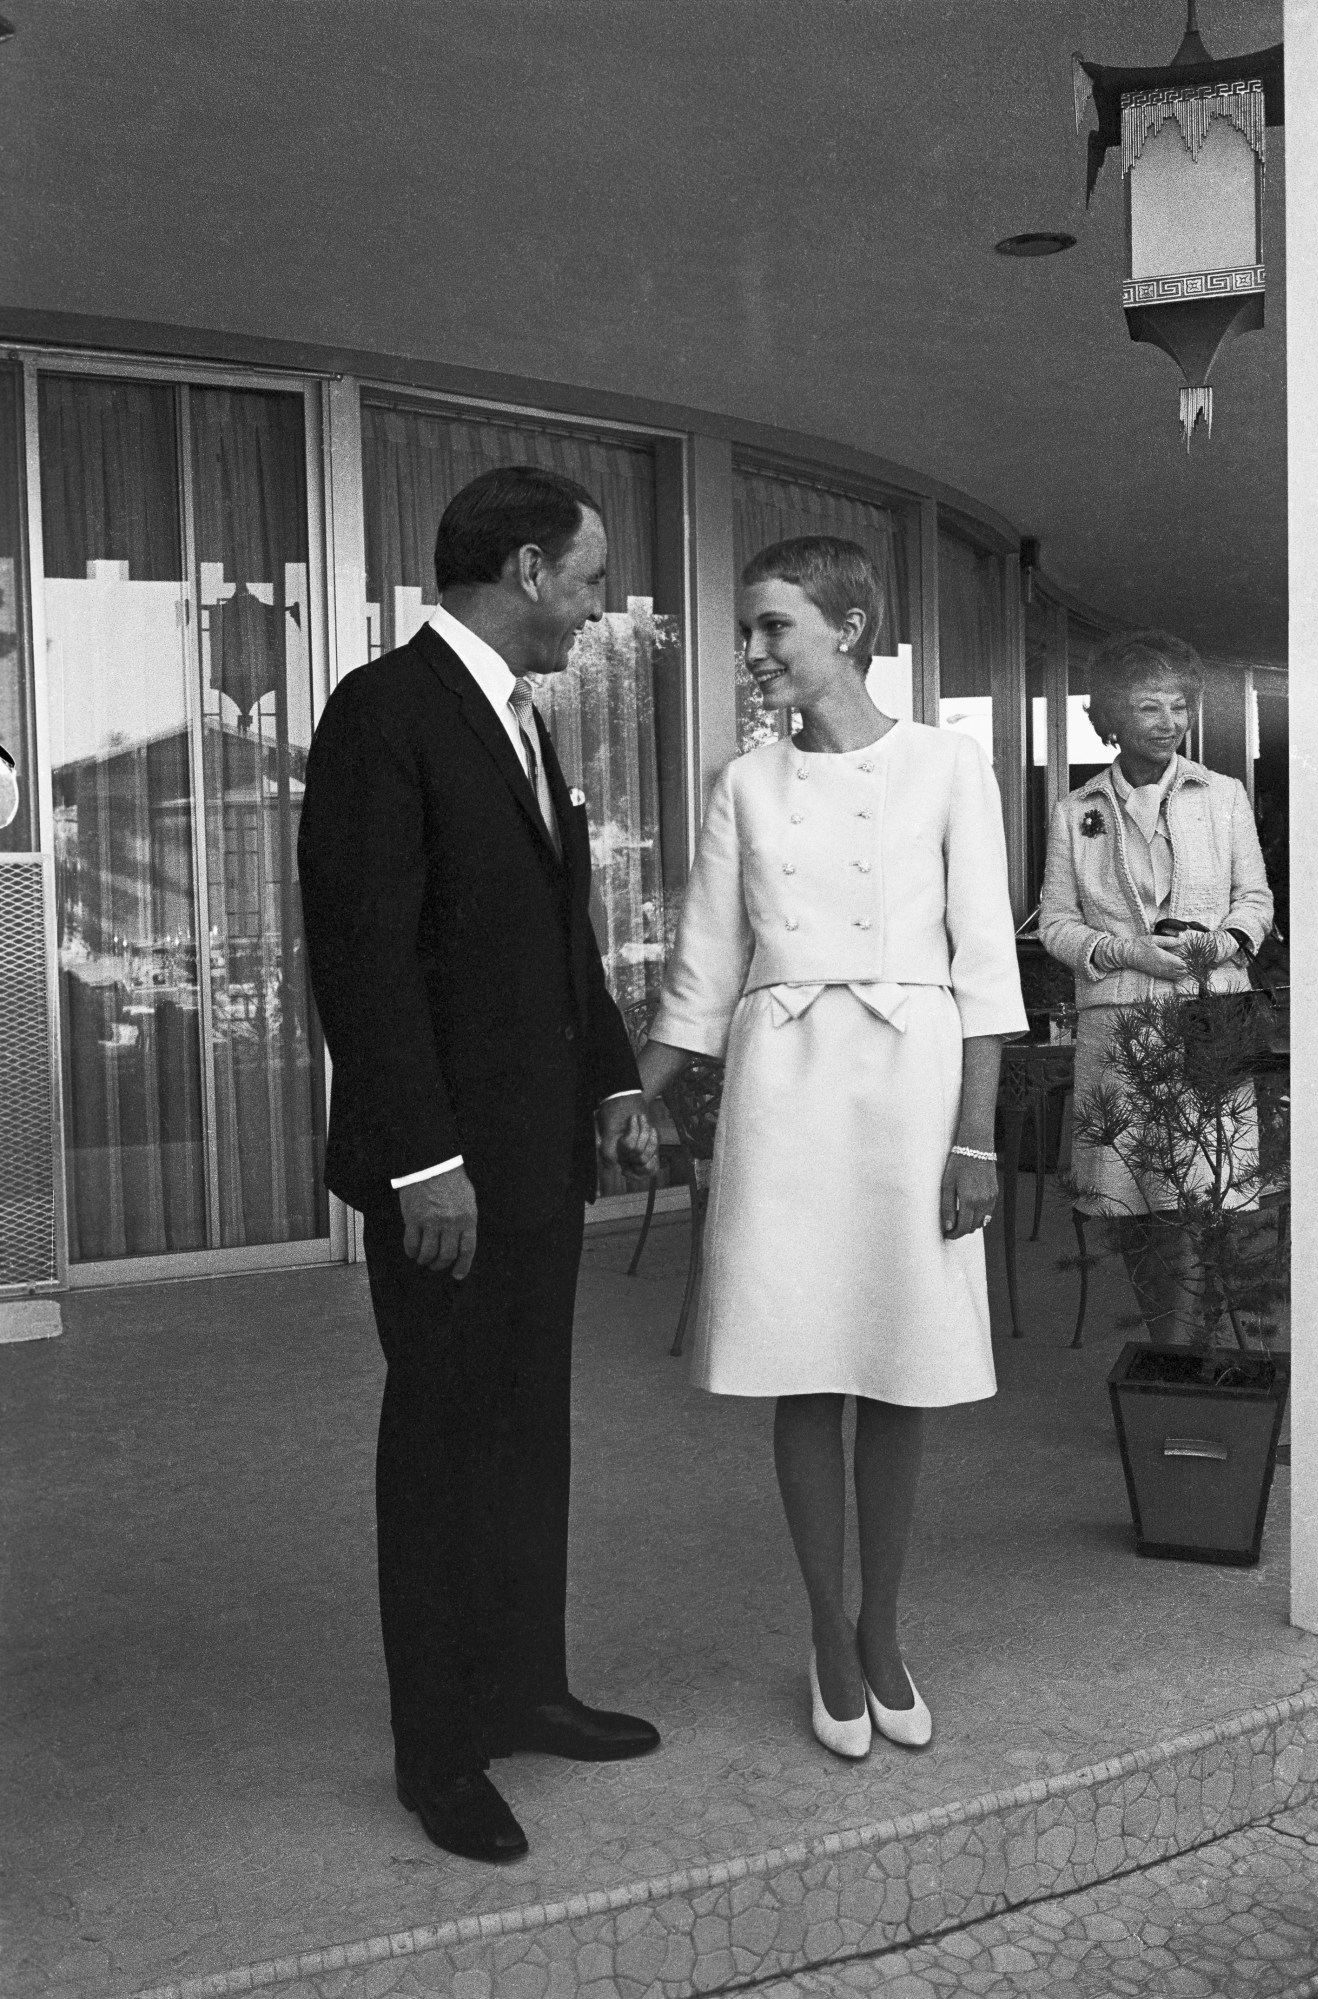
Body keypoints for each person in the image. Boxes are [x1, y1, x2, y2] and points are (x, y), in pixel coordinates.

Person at [298, 466, 662, 1865]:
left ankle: (522, 1684)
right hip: (445, 1174)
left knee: (524, 1427)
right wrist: (422, 1159)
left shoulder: (519, 721)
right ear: (521, 569)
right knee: (445, 1444)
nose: (595, 604)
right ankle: (437, 1749)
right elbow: (362, 959)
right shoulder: (382, 713)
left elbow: (551, 934)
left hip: (534, 1160)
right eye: (586, 576)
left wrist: (614, 1076)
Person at [637, 536, 1026, 1759]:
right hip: (785, 1088)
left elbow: (987, 968)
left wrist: (976, 1142)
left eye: (771, 628)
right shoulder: (743, 784)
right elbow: (704, 966)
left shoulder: (949, 766)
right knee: (804, 1360)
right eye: (749, 631)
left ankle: (885, 1628)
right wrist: (629, 1095)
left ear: (848, 628)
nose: (752, 653)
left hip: (913, 1086)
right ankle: (822, 1631)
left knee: (901, 1360)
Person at [1039, 630, 1273, 1340]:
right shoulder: (1077, 810)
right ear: (1113, 713)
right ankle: (1167, 1345)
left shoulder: (1221, 794)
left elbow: (1255, 902)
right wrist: (1124, 949)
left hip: (1209, 1015)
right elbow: (1054, 923)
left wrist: (1218, 944)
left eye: (1178, 705)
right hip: (1118, 1024)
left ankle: (1189, 1355)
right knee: (1130, 1199)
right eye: (1148, 706)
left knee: (1202, 1193)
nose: (1168, 721)